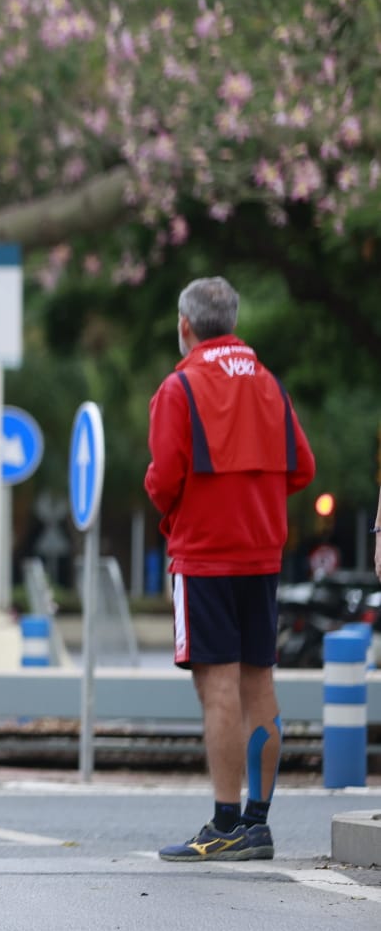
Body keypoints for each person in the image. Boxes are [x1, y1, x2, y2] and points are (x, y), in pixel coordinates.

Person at [144, 276, 314, 861]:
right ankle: (257, 823)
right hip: (262, 552)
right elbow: (302, 468)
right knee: (259, 683)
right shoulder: (268, 383)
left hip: (204, 554)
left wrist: (183, 511)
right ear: (233, 322)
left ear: (186, 326)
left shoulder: (180, 386)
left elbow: (163, 478)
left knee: (215, 686)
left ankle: (222, 822)